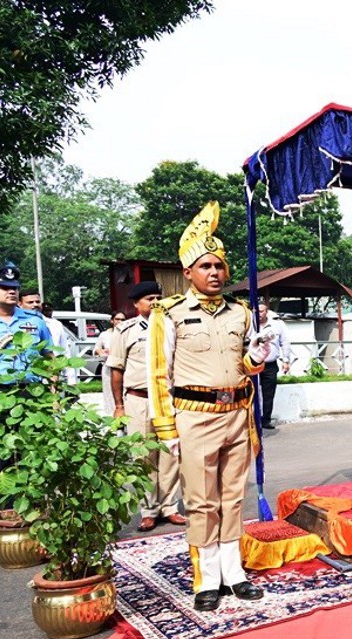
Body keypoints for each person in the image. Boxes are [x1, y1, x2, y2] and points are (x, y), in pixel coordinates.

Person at [148, 202, 267, 612]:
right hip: (194, 418)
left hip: (237, 413)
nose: (214, 272)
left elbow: (247, 367)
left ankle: (234, 574)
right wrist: (166, 429)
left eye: (219, 265)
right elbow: (158, 373)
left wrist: (257, 356)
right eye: (205, 266)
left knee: (233, 497)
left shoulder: (241, 312)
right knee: (201, 501)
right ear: (188, 273)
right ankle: (206, 579)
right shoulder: (169, 313)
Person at [108, 281, 185, 532]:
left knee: (170, 454)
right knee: (143, 457)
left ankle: (169, 507)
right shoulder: (126, 331)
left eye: (157, 297)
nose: (154, 302)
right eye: (148, 298)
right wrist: (119, 405)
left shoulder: (171, 326)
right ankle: (149, 510)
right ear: (135, 304)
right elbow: (116, 370)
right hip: (138, 400)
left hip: (167, 399)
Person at [0, 264, 54, 496]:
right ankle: (5, 504)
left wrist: (54, 394)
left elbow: (50, 357)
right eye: (4, 287)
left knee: (32, 448)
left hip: (31, 392)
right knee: (2, 450)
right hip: (1, 392)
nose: (11, 292)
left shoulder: (34, 320)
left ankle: (32, 501)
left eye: (14, 288)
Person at [255, 300, 292, 429]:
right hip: (252, 365)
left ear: (266, 312)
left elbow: (285, 342)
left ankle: (266, 420)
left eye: (261, 311)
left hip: (270, 365)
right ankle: (252, 419)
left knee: (268, 394)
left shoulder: (277, 325)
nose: (259, 314)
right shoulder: (249, 325)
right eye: (256, 311)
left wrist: (286, 361)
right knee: (252, 393)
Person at [94, 310, 125, 416]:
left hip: (124, 368)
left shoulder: (127, 333)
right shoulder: (105, 335)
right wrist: (102, 351)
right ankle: (112, 417)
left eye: (123, 319)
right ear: (112, 320)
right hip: (108, 367)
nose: (120, 321)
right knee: (109, 393)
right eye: (117, 319)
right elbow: (97, 349)